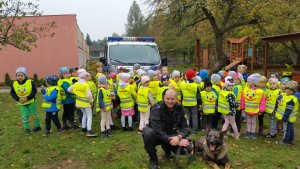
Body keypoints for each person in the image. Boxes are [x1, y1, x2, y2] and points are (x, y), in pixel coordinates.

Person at [142, 89, 190, 169]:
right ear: (164, 98)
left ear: (176, 99)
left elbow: (186, 128)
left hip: (172, 135)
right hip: (157, 136)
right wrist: (173, 141)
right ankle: (153, 159)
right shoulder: (156, 109)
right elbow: (157, 130)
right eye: (168, 98)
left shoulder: (180, 109)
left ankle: (167, 150)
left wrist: (179, 137)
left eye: (172, 99)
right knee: (147, 132)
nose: (170, 101)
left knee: (188, 148)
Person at [10, 67, 41, 135]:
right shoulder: (14, 83)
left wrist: (28, 97)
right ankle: (27, 129)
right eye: (18, 75)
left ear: (25, 75)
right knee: (24, 116)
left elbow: (34, 90)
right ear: (16, 76)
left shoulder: (30, 82)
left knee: (33, 115)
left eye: (22, 75)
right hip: (22, 104)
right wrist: (18, 98)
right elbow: (12, 93)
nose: (20, 77)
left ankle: (37, 126)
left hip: (31, 102)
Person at [68, 69, 97, 137]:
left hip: (79, 103)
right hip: (86, 103)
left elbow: (69, 89)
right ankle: (89, 131)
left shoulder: (76, 84)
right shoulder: (86, 85)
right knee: (89, 116)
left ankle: (84, 128)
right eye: (87, 76)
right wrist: (92, 102)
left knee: (84, 114)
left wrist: (76, 93)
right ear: (84, 77)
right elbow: (89, 95)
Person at [241, 74, 265, 139]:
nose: (248, 83)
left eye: (249, 82)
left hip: (255, 110)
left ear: (254, 83)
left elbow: (262, 102)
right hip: (247, 110)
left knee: (253, 122)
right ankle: (248, 132)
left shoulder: (260, 92)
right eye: (248, 81)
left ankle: (253, 133)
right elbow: (243, 99)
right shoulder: (246, 90)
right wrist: (242, 107)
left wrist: (261, 110)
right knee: (248, 122)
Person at [179, 69, 201, 135]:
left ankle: (187, 129)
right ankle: (194, 130)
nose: (195, 77)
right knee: (194, 117)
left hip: (185, 103)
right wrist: (200, 103)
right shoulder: (195, 85)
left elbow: (181, 94)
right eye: (194, 76)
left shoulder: (182, 84)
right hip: (194, 103)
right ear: (192, 77)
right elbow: (198, 96)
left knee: (187, 117)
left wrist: (182, 101)